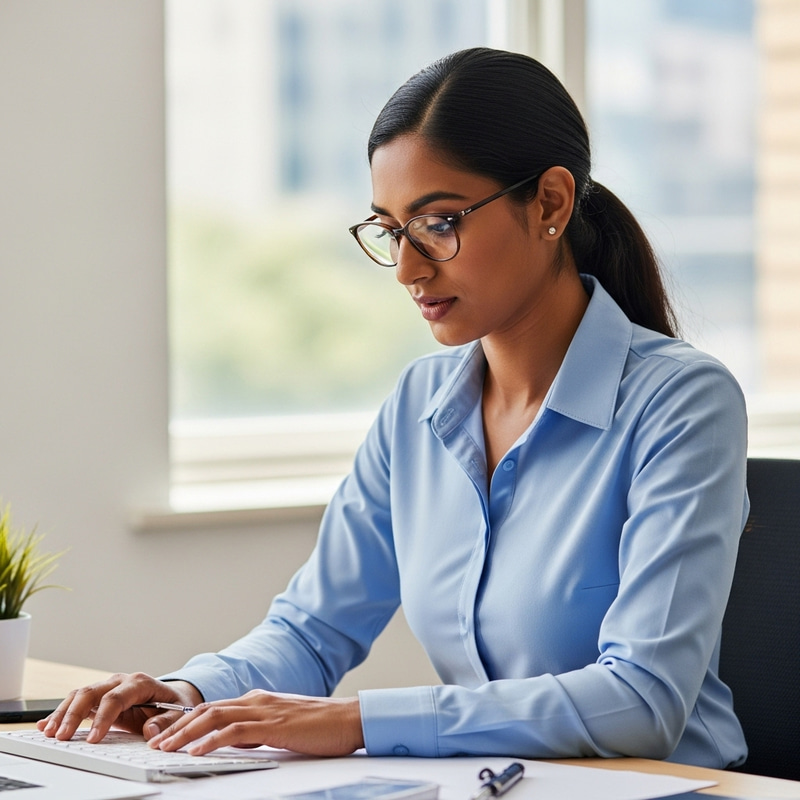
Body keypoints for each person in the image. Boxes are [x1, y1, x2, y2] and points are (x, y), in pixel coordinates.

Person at [40, 47, 749, 769]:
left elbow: (643, 699)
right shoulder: (420, 403)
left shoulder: (681, 403)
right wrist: (190, 693)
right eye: (389, 230)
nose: (408, 269)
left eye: (439, 223)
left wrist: (357, 721)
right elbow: (313, 629)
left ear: (551, 205)